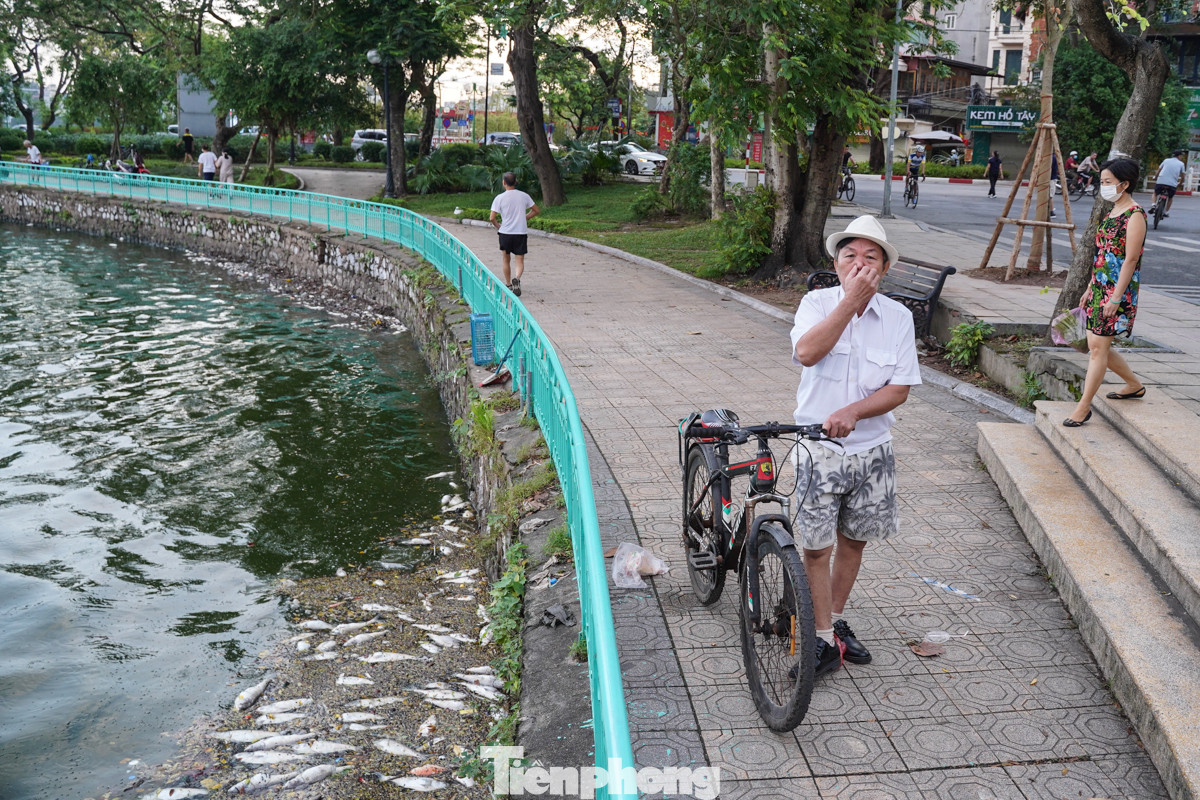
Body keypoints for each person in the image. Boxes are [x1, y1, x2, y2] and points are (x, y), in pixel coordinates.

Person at [790, 215, 921, 677]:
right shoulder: (816, 303)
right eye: (850, 256)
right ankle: (822, 638)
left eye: (870, 257)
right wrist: (849, 302)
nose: (860, 264)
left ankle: (834, 620)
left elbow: (900, 388)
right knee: (816, 547)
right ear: (836, 263)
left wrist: (854, 412)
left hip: (874, 451)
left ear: (884, 268)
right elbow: (807, 353)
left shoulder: (898, 317)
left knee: (853, 541)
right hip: (818, 448)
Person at [1064, 158, 1147, 427]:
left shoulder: (1134, 215)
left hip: (1116, 291)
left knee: (1097, 349)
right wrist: (1090, 286)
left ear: (1125, 184)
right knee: (1095, 345)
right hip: (1099, 287)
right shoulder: (1112, 211)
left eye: (1108, 182)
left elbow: (1130, 260)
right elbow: (1102, 255)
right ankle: (1134, 385)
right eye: (1102, 182)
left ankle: (1083, 407)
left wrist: (1115, 298)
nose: (1104, 186)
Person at [488, 171, 540, 297]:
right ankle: (517, 278)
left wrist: (498, 226)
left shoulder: (499, 198)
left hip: (505, 233)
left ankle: (508, 284)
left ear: (503, 182)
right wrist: (524, 217)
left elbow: (492, 218)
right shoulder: (524, 196)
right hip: (520, 233)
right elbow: (536, 210)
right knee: (519, 260)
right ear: (515, 182)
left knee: (506, 259)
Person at [1152, 150, 1187, 218]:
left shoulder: (1166, 160)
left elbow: (1159, 170)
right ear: (1179, 156)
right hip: (1172, 184)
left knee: (1155, 193)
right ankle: (1166, 212)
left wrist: (1155, 177)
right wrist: (1180, 183)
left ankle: (1153, 205)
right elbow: (1183, 176)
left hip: (1161, 181)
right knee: (1170, 198)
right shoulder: (1181, 164)